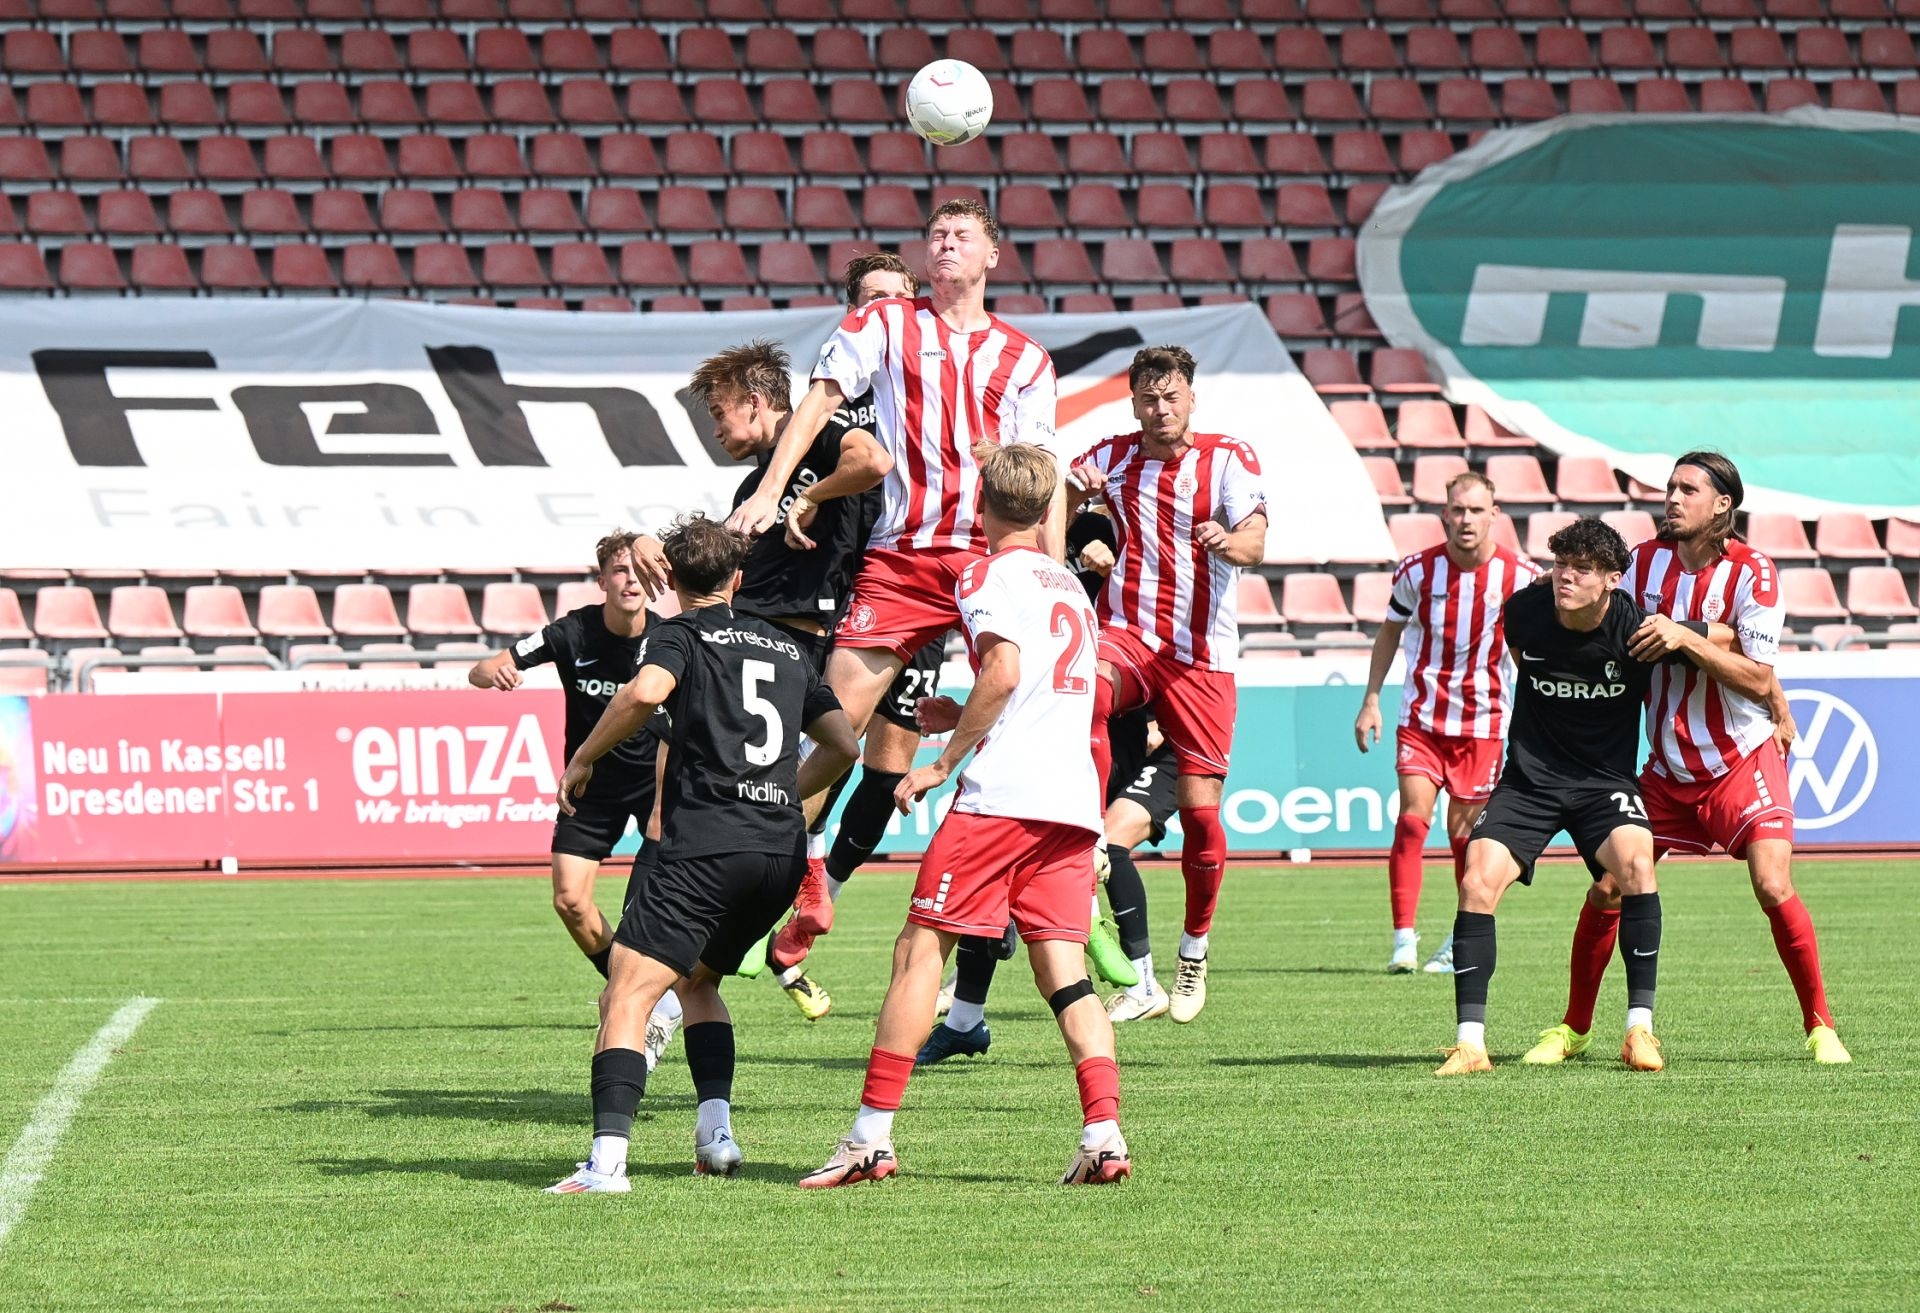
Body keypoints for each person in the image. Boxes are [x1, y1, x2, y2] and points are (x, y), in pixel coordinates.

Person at [800, 444, 1130, 1189]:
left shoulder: (983, 573)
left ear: (981, 506)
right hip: (1070, 802)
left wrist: (942, 761)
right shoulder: (1070, 587)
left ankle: (868, 1138)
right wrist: (961, 715)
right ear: (1046, 510)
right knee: (1066, 974)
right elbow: (1049, 688)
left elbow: (1004, 671)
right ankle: (1103, 1134)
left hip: (1003, 799)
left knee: (919, 952)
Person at [723, 200, 1062, 846]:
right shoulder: (885, 320)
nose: (946, 244)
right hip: (901, 558)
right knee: (834, 727)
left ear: (993, 255)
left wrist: (1051, 565)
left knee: (1039, 710)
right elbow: (819, 400)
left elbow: (1043, 470)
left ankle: (1066, 869)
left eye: (962, 235)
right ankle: (763, 852)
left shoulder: (1026, 358)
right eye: (936, 235)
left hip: (991, 559)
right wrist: (770, 490)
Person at [544, 515, 858, 1192]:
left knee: (627, 992)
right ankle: (716, 1135)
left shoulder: (678, 634)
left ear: (673, 582)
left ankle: (606, 1164)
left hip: (706, 846)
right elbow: (844, 745)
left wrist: (583, 756)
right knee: (698, 984)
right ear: (737, 580)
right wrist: (781, 793)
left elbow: (645, 692)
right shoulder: (784, 646)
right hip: (777, 853)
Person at [1525, 452, 1851, 1067]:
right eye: (1670, 487)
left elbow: (1757, 677)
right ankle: (1574, 1028)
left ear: (1722, 504)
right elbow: (1604, 603)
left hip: (1740, 760)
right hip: (1666, 766)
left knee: (1772, 882)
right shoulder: (1643, 561)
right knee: (1609, 887)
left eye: (1687, 489)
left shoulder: (1754, 572)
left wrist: (1687, 638)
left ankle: (1820, 1026)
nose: (1672, 498)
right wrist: (1561, 586)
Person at [1436, 517, 1736, 1078]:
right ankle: (1470, 1044)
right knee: (1476, 880)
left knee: (1637, 866)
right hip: (1529, 782)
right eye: (1560, 565)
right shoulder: (1525, 612)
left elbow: (1726, 636)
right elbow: (1521, 653)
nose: (1565, 577)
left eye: (1581, 569)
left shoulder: (1638, 628)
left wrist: (1685, 635)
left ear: (1612, 580)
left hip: (1604, 784)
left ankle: (1639, 1031)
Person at [689, 322, 893, 1019]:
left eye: (720, 411)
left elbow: (872, 461)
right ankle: (790, 897)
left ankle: (786, 891)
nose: (717, 427)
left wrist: (811, 494)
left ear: (756, 400)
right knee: (751, 784)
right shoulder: (756, 484)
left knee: (789, 780)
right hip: (760, 640)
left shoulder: (825, 440)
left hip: (794, 641)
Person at [1068, 345, 1269, 1024]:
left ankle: (1194, 951)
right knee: (1083, 692)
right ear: (1133, 402)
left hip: (1201, 654)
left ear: (1191, 398)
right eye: (1149, 398)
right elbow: (1053, 497)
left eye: (1171, 396)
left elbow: (1256, 543)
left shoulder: (1228, 458)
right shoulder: (1111, 455)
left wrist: (1227, 542)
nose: (1160, 409)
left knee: (1201, 812)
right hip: (1128, 633)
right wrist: (1078, 517)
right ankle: (1090, 836)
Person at [467, 531, 683, 1065]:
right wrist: (494, 672)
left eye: (637, 570)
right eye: (619, 571)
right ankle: (643, 996)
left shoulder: (669, 638)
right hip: (590, 786)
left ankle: (640, 999)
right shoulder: (572, 633)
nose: (630, 580)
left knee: (660, 905)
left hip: (655, 785)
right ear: (602, 580)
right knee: (569, 901)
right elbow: (481, 670)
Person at [1355, 472, 1540, 974]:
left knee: (1465, 836)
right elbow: (1389, 633)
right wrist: (1371, 698)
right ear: (1444, 515)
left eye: (1476, 510)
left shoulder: (1521, 576)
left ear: (1494, 515)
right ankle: (1403, 940)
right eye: (1458, 510)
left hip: (1483, 723)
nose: (1466, 519)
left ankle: (1461, 938)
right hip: (1421, 718)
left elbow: (1533, 650)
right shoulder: (1416, 571)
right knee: (1412, 820)